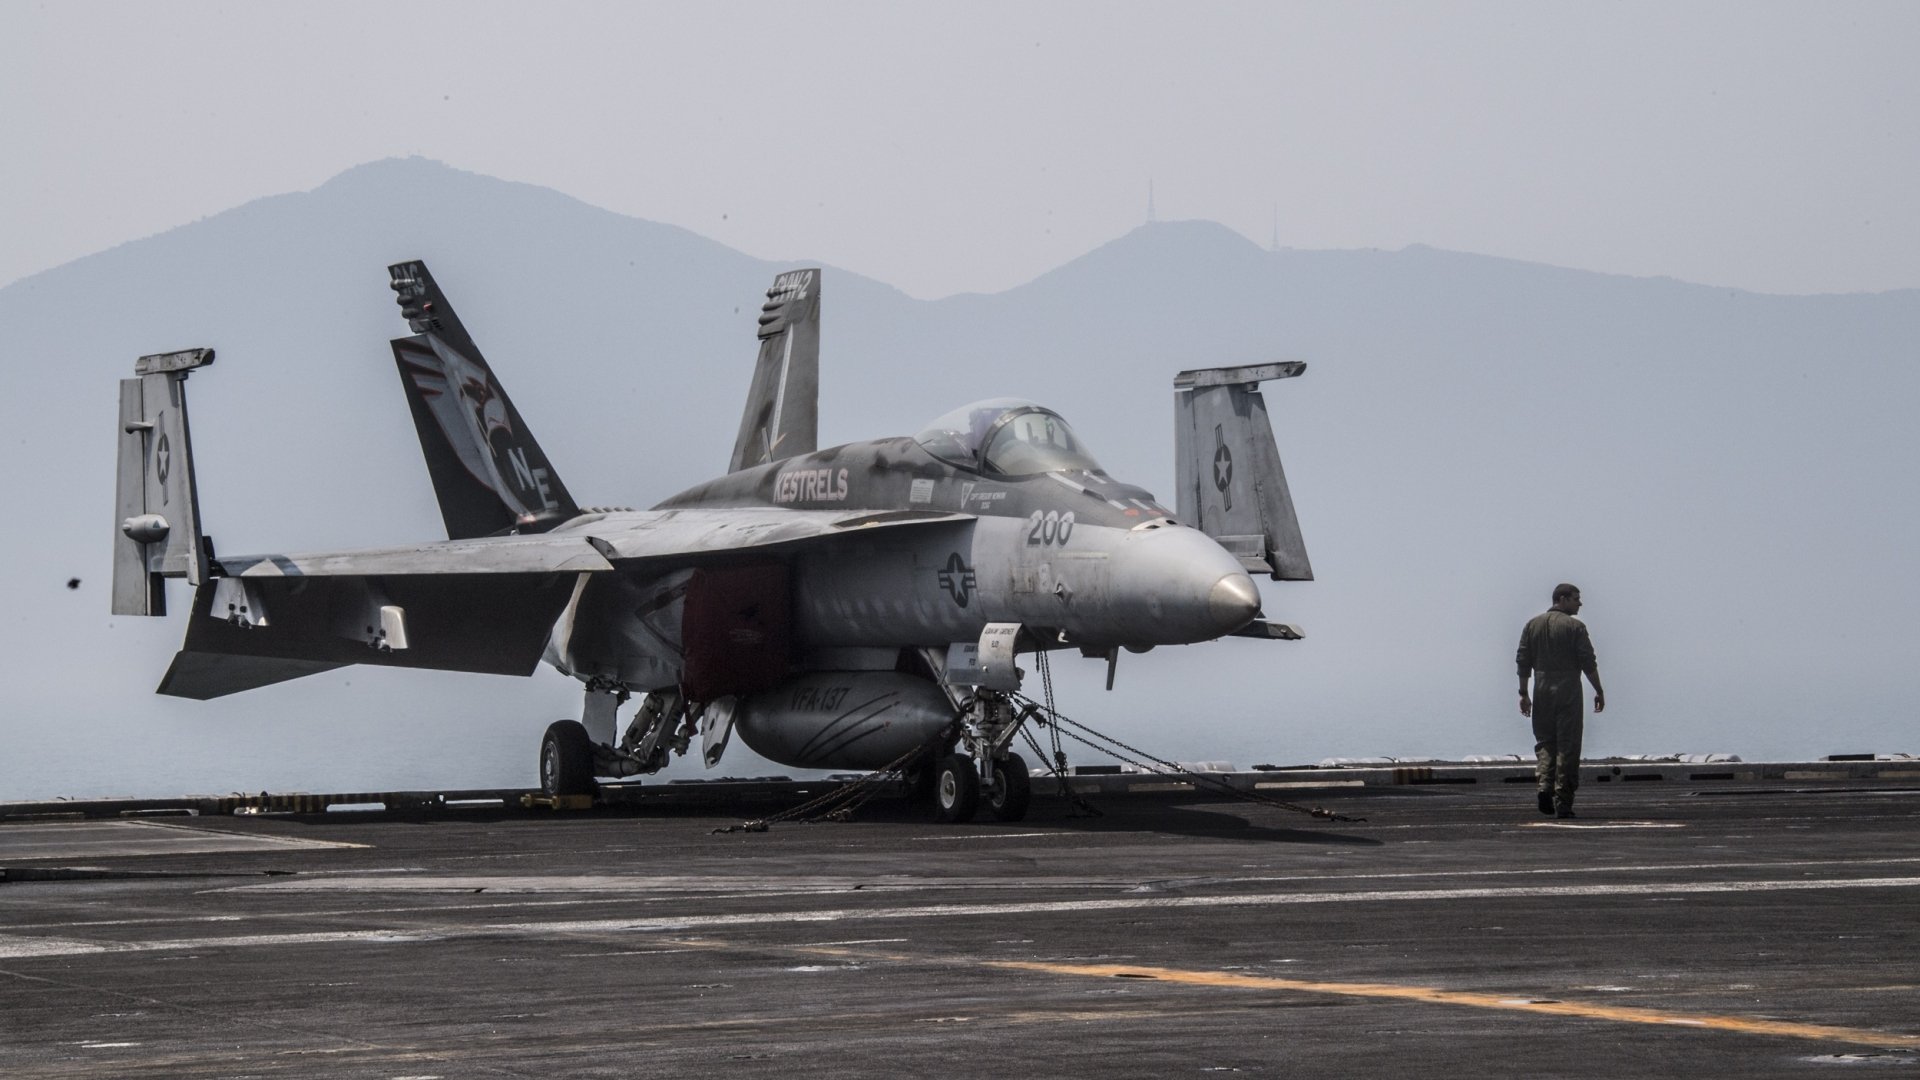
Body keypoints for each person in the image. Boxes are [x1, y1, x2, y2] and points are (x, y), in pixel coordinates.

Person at [1517, 583, 1604, 818]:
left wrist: (1523, 693)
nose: (1580, 603)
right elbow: (1588, 662)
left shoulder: (1531, 625)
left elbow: (1523, 661)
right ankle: (1563, 802)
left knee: (1545, 743)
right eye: (1576, 598)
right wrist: (1599, 690)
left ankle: (1544, 786)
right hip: (1568, 690)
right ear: (1563, 599)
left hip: (1541, 688)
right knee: (1568, 746)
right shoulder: (1576, 627)